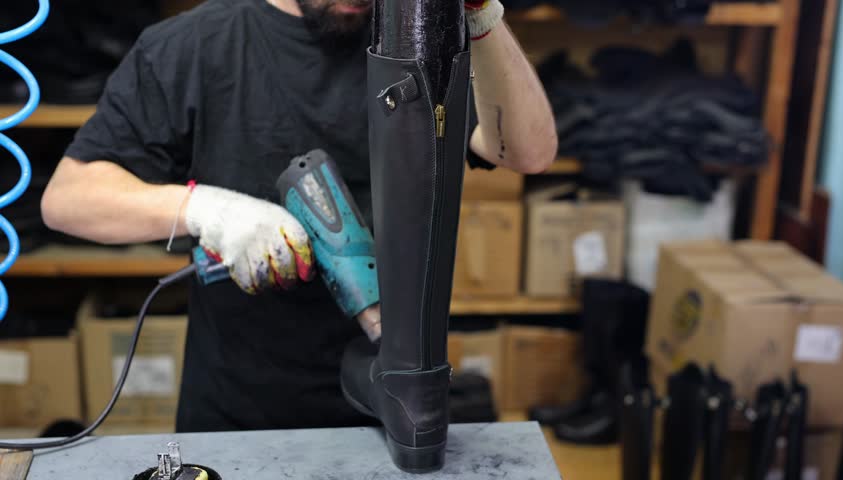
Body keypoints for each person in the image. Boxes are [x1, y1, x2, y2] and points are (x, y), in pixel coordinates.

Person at [40, 0, 557, 433]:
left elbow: (530, 153)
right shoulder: (194, 46)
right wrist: (206, 210)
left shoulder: (418, 43)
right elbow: (68, 199)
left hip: (389, 403)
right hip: (236, 411)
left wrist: (481, 15)